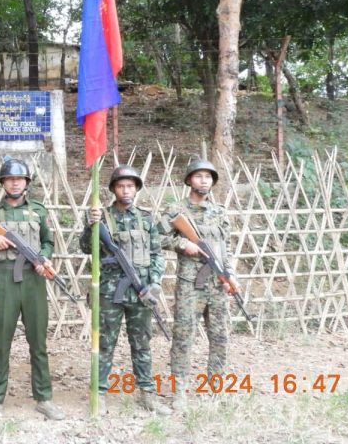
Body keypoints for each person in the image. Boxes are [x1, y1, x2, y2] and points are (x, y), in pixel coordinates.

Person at [0, 158, 65, 422]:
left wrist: (44, 259)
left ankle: (44, 398)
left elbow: (48, 242)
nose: (15, 183)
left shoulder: (38, 210)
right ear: (3, 182)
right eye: (10, 179)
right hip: (4, 279)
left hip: (33, 280)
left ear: (26, 183)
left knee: (38, 342)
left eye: (20, 179)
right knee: (1, 342)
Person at [80, 165, 171, 416]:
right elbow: (87, 248)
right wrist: (91, 225)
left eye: (130, 186)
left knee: (142, 344)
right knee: (105, 343)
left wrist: (154, 284)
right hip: (110, 293)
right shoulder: (102, 217)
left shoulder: (146, 218)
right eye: (121, 186)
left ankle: (147, 394)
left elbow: (156, 254)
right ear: (113, 189)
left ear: (137, 189)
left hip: (141, 291)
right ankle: (99, 393)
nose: (126, 190)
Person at [159, 159, 240, 412]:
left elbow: (223, 248)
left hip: (216, 283)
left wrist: (229, 275)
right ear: (189, 180)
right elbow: (158, 237)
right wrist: (183, 245)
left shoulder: (220, 212)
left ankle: (216, 388)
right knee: (183, 337)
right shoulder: (175, 210)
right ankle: (179, 392)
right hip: (189, 285)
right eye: (199, 176)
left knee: (220, 337)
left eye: (208, 176)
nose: (204, 180)